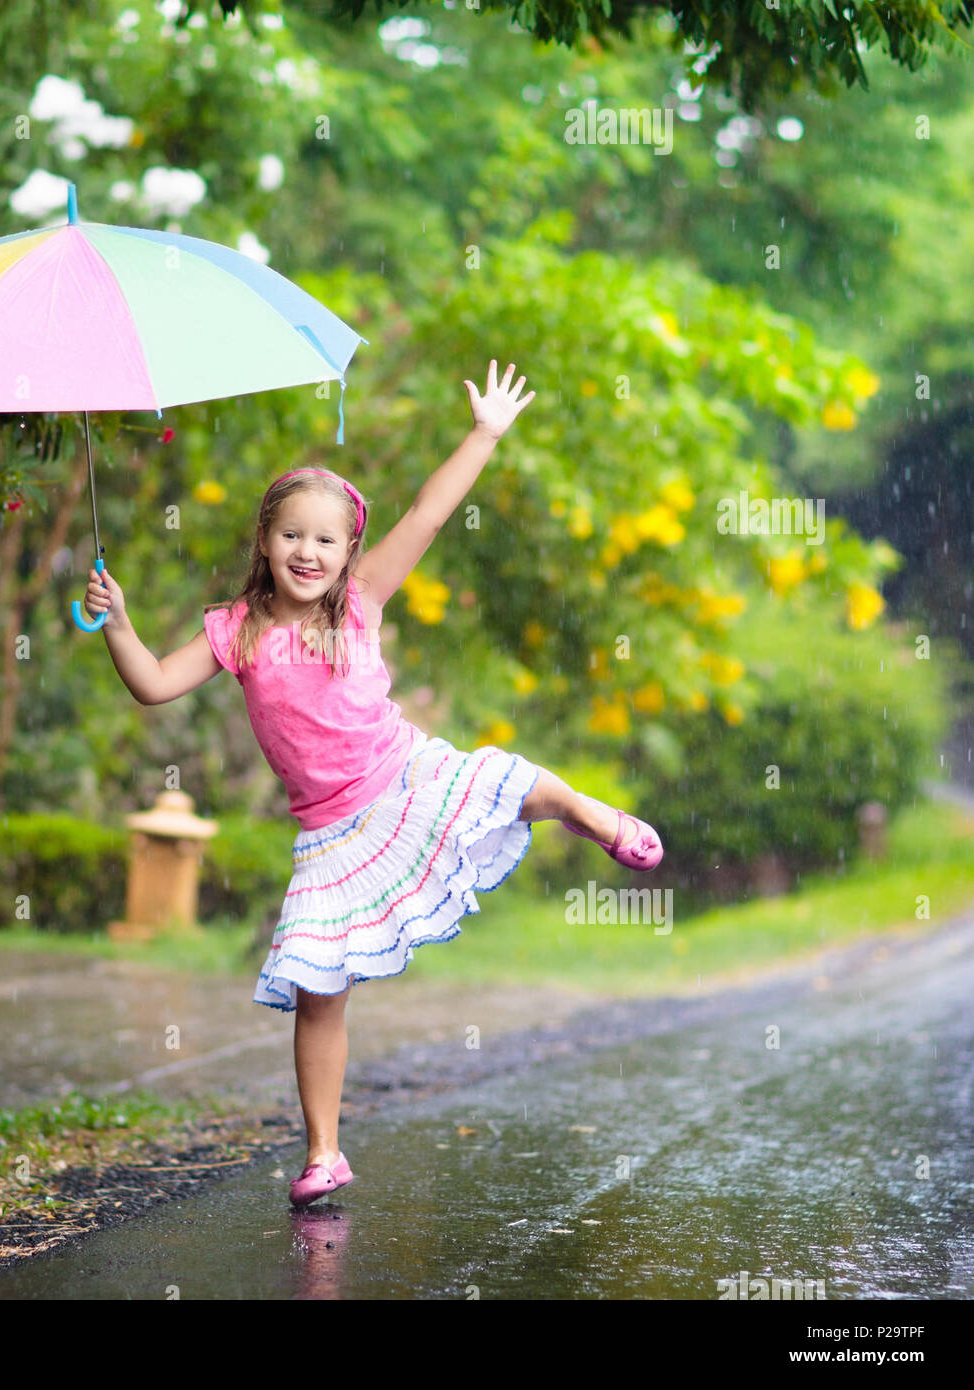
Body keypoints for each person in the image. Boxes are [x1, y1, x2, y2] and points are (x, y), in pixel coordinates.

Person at [83, 360, 663, 1207]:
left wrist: (484, 433)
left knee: (503, 780)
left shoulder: (361, 602)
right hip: (328, 834)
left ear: (349, 549)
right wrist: (119, 622)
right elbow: (152, 684)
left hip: (402, 776)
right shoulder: (236, 630)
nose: (307, 553)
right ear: (264, 543)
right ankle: (325, 1153)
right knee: (319, 991)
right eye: (290, 536)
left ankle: (586, 812)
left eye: (324, 539)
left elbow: (430, 510)